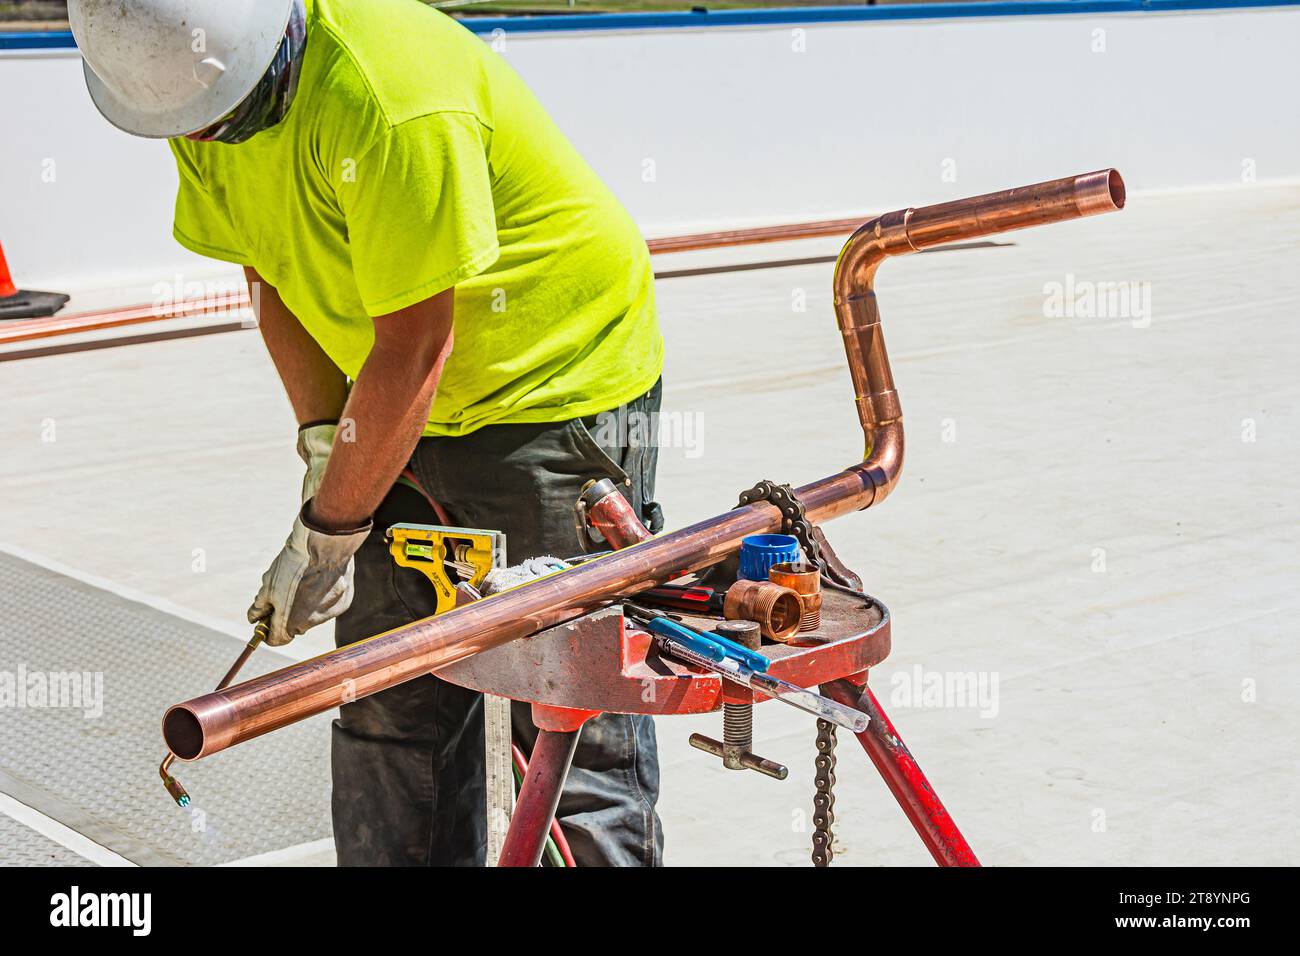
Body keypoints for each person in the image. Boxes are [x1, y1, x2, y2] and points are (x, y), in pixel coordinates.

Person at [69, 0, 665, 866]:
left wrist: (328, 533)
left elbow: (417, 347)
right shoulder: (193, 87)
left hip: (552, 386)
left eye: (230, 120)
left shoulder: (391, 97)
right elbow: (273, 276)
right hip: (392, 403)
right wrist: (326, 453)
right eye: (198, 130)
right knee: (390, 706)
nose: (207, 144)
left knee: (573, 727)